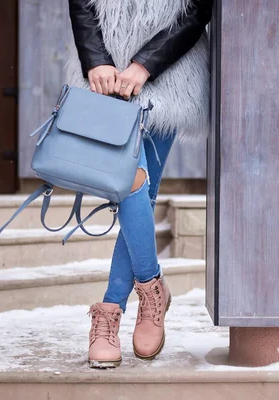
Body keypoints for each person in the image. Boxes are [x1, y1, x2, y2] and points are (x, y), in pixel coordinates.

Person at [66, 0, 212, 368]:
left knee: (138, 190)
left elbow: (197, 10)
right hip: (102, 73)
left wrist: (145, 65)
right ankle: (151, 289)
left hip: (168, 75)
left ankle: (111, 309)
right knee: (132, 185)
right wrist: (96, 59)